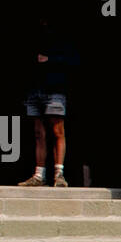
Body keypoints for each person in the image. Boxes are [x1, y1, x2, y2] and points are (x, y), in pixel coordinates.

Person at [18, 18, 78, 188]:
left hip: (55, 90)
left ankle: (59, 175)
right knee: (39, 134)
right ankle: (39, 175)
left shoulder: (63, 39)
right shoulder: (33, 39)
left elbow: (74, 60)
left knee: (57, 131)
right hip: (34, 90)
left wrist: (50, 59)